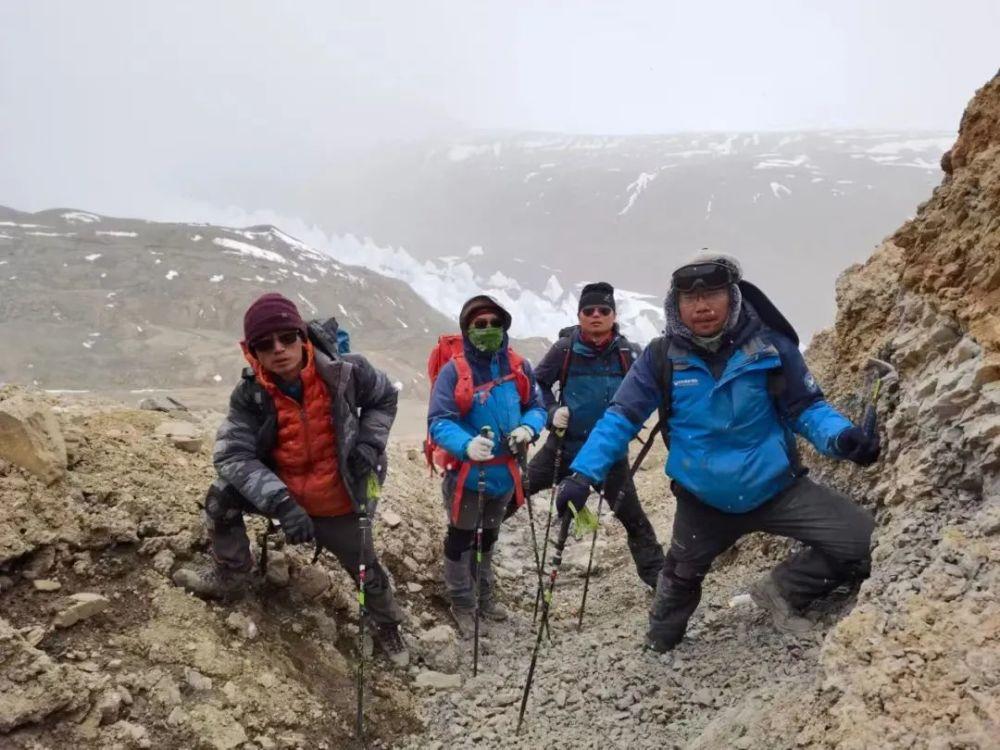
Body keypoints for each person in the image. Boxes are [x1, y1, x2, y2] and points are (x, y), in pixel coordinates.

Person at [555, 253, 879, 651]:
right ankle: (659, 643)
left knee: (864, 543)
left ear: (733, 296)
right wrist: (582, 474)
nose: (702, 307)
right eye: (690, 299)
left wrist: (843, 438)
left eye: (712, 295)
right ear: (675, 305)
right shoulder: (661, 358)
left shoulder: (770, 347)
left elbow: (806, 409)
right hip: (702, 503)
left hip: (778, 489)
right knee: (676, 591)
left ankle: (783, 589)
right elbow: (620, 418)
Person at [173, 292, 409, 666]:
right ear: (251, 351)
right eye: (264, 344)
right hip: (286, 494)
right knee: (221, 497)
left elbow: (384, 398)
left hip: (339, 497)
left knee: (364, 565)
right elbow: (231, 454)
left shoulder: (347, 372)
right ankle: (232, 572)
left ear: (302, 337)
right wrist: (282, 503)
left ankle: (385, 623)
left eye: (286, 338)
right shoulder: (250, 394)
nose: (278, 349)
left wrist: (369, 441)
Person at [519, 281, 664, 588]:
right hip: (562, 448)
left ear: (614, 315)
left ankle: (662, 585)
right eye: (589, 310)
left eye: (603, 310)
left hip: (609, 456)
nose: (596, 315)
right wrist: (551, 412)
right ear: (579, 315)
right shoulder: (564, 349)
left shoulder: (628, 353)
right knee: (514, 492)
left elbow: (648, 391)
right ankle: (476, 559)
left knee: (634, 520)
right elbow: (537, 384)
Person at [427, 295, 547, 635]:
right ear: (467, 329)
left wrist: (529, 428)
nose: (488, 329)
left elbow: (537, 406)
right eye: (480, 324)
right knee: (461, 538)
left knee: (489, 537)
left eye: (495, 323)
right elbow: (439, 421)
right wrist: (465, 445)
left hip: (505, 474)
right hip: (467, 475)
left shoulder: (519, 367)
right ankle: (462, 603)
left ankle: (485, 595)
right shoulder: (454, 372)